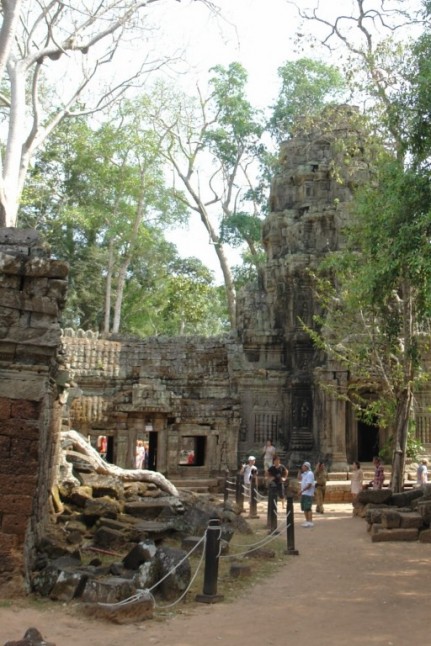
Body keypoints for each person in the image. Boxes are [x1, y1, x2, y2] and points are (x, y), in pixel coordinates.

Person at [298, 461, 315, 527]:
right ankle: (307, 520)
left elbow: (309, 485)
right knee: (304, 508)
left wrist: (301, 491)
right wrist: (299, 471)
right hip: (304, 493)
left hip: (308, 493)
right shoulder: (304, 474)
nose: (302, 467)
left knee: (308, 508)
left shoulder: (310, 474)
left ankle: (310, 521)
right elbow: (299, 478)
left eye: (303, 466)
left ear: (306, 467)